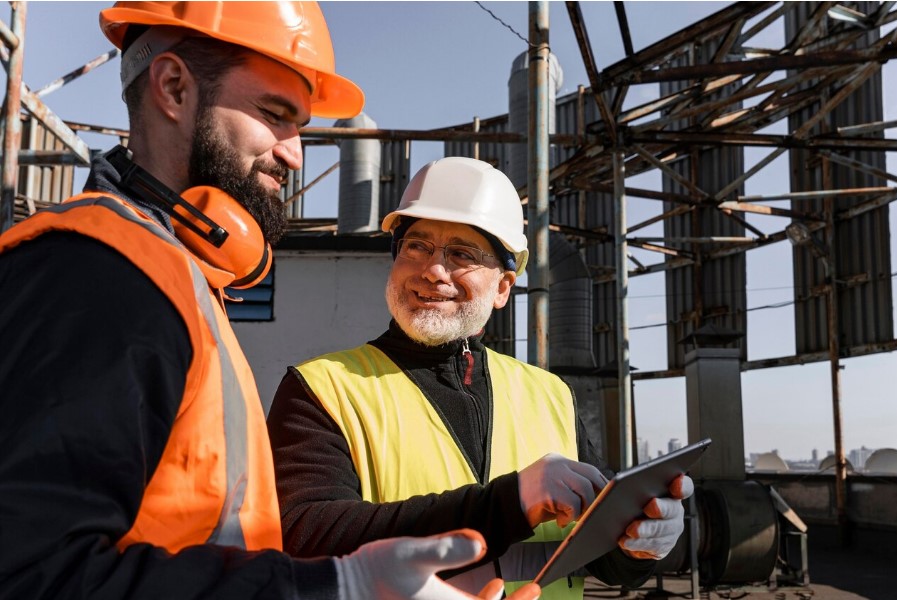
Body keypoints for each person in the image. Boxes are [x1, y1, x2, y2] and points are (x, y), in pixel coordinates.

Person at [0, 3, 539, 599]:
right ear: (174, 88)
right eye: (274, 115)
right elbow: (29, 573)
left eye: (300, 127)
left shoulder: (176, 276)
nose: (295, 153)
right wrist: (336, 588)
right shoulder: (99, 277)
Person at [267, 156, 695, 598]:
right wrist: (512, 503)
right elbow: (303, 534)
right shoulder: (321, 388)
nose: (433, 270)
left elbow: (594, 547)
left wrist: (638, 544)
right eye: (416, 246)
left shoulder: (549, 395)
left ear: (503, 287)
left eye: (461, 254)